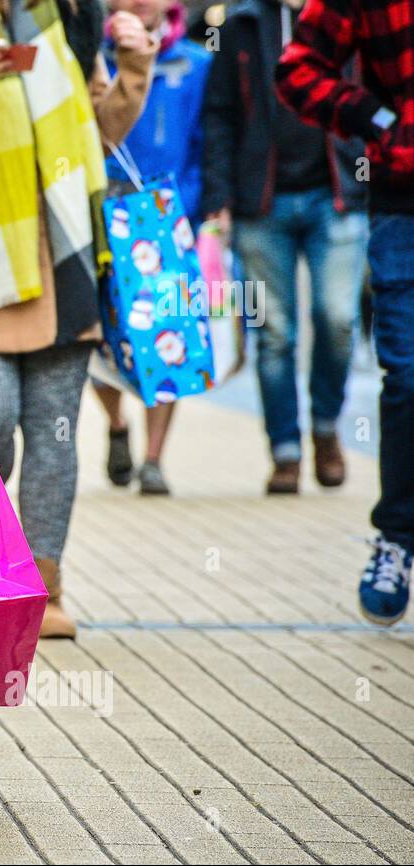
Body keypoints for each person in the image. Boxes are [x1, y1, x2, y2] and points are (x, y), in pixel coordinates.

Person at [0, 0, 155, 639]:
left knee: (56, 437)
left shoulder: (69, 17)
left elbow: (101, 128)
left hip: (66, 264)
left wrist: (134, 68)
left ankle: (42, 590)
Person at [276, 0, 414, 624]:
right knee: (408, 377)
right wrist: (380, 118)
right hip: (400, 205)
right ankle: (398, 538)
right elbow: (297, 70)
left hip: (355, 205)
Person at [203, 0, 367, 497]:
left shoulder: (349, 18)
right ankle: (285, 452)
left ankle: (324, 426)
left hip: (338, 196)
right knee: (274, 335)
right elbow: (220, 115)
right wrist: (219, 198)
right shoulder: (241, 23)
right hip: (261, 202)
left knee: (337, 319)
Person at [94, 0, 212, 496]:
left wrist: (194, 206)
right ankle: (117, 423)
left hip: (169, 213)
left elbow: (210, 140)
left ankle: (154, 459)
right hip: (103, 210)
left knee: (171, 333)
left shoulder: (197, 62)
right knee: (100, 333)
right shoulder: (92, 58)